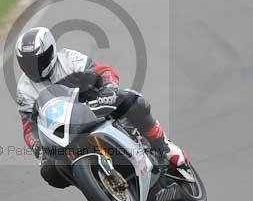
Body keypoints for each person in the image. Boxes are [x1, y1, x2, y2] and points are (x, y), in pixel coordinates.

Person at [15, 26, 188, 189]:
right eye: (27, 62)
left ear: (51, 52)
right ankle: (95, 184)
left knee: (133, 101)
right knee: (50, 171)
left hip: (93, 106)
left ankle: (164, 147)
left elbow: (104, 71)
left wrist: (109, 89)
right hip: (63, 130)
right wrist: (36, 144)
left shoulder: (68, 59)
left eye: (38, 60)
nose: (33, 67)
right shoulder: (24, 89)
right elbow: (29, 127)